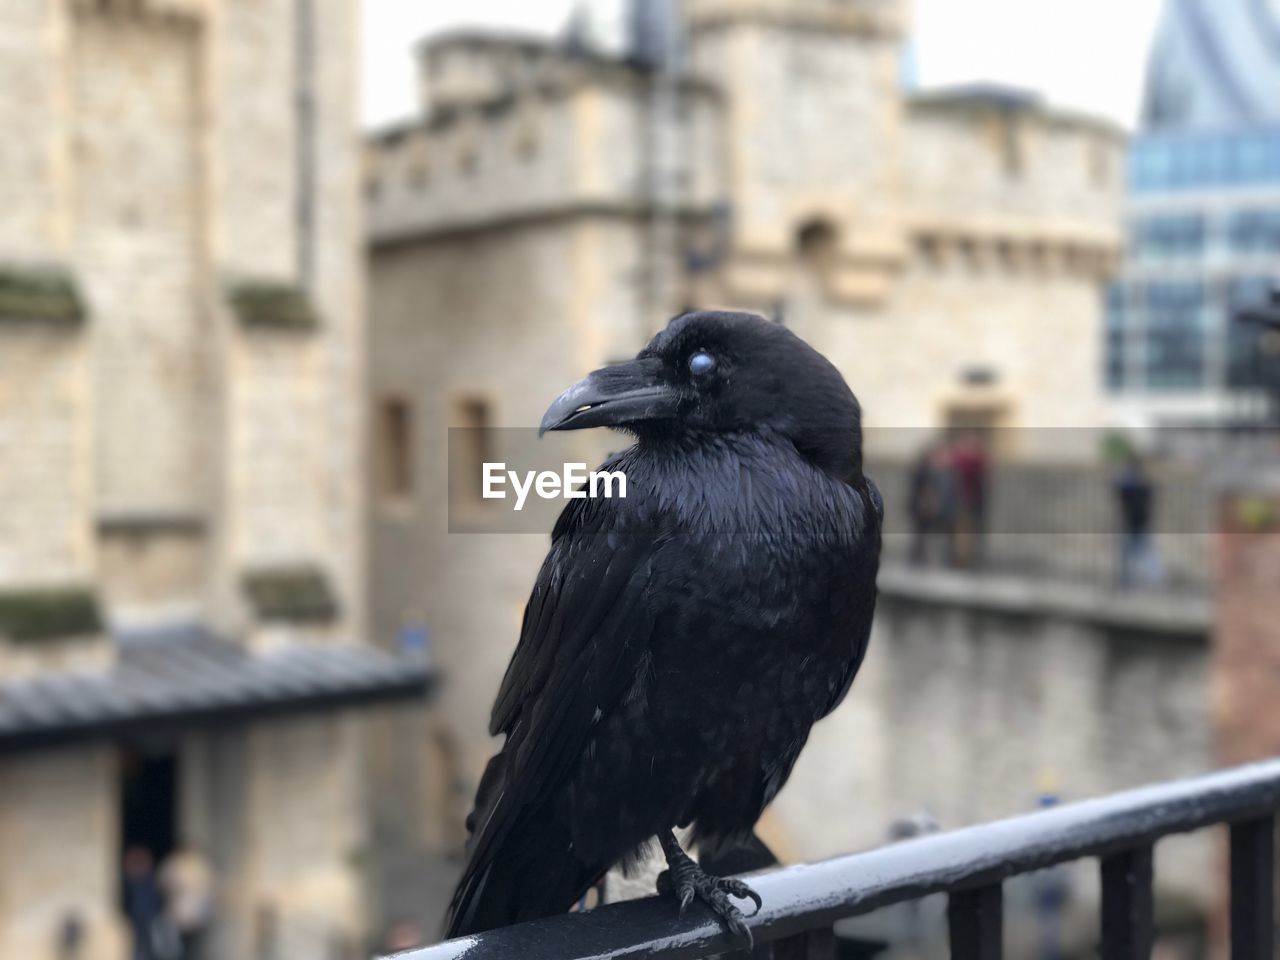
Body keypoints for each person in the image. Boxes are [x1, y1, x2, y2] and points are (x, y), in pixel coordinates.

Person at [158, 846, 213, 960]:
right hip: (178, 915)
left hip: (197, 916)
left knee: (197, 948)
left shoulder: (200, 865)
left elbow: (207, 889)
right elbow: (163, 883)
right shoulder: (174, 863)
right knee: (176, 949)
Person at [1114, 453, 1159, 589]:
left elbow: (1120, 489)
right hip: (1134, 523)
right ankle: (1128, 583)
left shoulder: (1136, 483)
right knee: (1135, 554)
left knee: (1140, 554)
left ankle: (1131, 583)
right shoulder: (1139, 483)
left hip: (1135, 523)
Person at [907, 441, 956, 565]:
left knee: (933, 536)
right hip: (925, 509)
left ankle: (927, 558)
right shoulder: (925, 471)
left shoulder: (946, 472)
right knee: (922, 535)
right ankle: (919, 558)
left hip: (940, 510)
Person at [122, 846, 172, 960]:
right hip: (135, 921)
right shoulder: (128, 882)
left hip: (151, 920)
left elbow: (161, 899)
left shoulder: (152, 881)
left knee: (156, 949)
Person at [949, 430, 989, 568]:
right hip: (962, 499)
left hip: (973, 500)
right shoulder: (962, 459)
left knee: (970, 530)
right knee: (961, 530)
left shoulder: (976, 459)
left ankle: (966, 557)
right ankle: (960, 558)